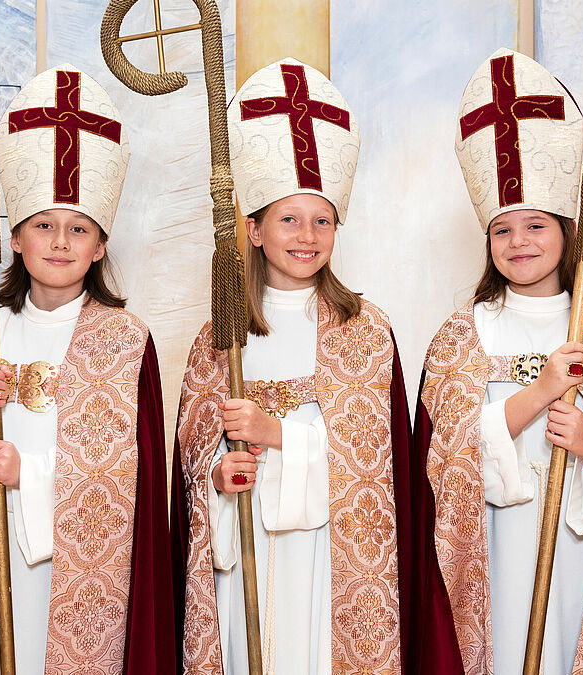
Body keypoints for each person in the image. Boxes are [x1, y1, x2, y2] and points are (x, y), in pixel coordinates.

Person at [412, 48, 583, 674]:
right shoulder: (459, 338)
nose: (519, 244)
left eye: (535, 226)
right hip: (493, 551)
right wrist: (536, 396)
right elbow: (438, 466)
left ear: (566, 230)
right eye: (503, 230)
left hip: (580, 550)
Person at [0, 64, 176, 675]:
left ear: (101, 244)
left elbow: (127, 481)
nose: (60, 242)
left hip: (81, 572)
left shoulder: (125, 341)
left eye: (78, 229)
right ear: (16, 239)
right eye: (44, 226)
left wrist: (28, 472)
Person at [173, 58, 420, 675]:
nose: (306, 234)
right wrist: (217, 470)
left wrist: (275, 433)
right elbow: (190, 456)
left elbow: (379, 468)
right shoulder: (220, 337)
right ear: (253, 230)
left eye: (322, 219)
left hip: (329, 559)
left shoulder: (366, 330)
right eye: (288, 218)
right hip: (246, 542)